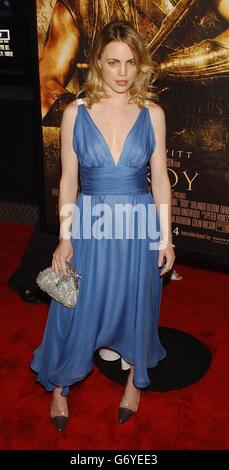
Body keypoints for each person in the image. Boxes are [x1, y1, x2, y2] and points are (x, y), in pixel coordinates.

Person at [30, 19, 175, 431]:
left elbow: (161, 178)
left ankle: (135, 381)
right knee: (74, 304)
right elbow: (69, 180)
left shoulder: (153, 113)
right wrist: (64, 238)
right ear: (97, 62)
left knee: (137, 300)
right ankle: (60, 383)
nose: (123, 72)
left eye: (131, 62)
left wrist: (165, 235)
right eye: (114, 62)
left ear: (141, 65)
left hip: (137, 222)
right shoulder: (76, 112)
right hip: (92, 222)